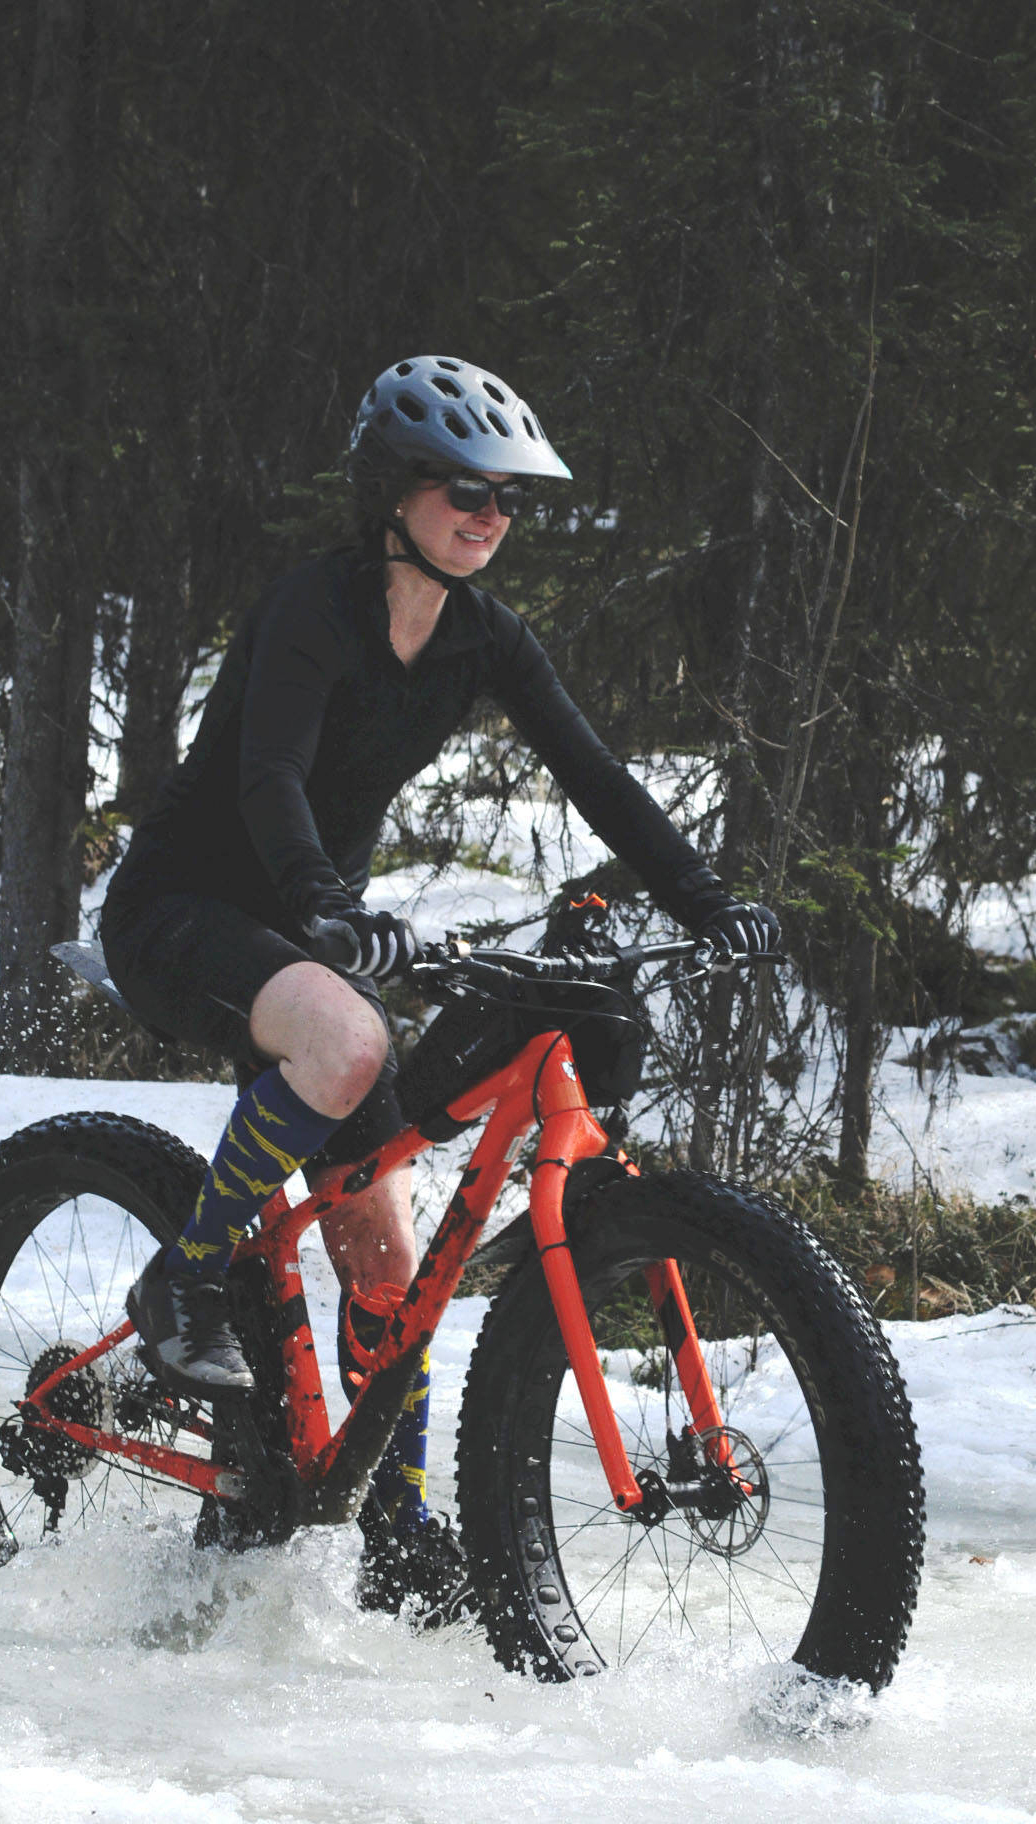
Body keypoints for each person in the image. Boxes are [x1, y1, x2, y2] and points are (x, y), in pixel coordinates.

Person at [100, 353, 779, 1619]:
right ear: (395, 488)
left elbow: (600, 777)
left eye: (508, 499)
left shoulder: (483, 637)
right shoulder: (314, 606)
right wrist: (321, 900)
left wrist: (703, 899)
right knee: (349, 1047)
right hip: (188, 912)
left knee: (389, 1266)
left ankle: (397, 1526)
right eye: (464, 488)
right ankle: (186, 1274)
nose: (488, 516)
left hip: (314, 932)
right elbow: (271, 778)